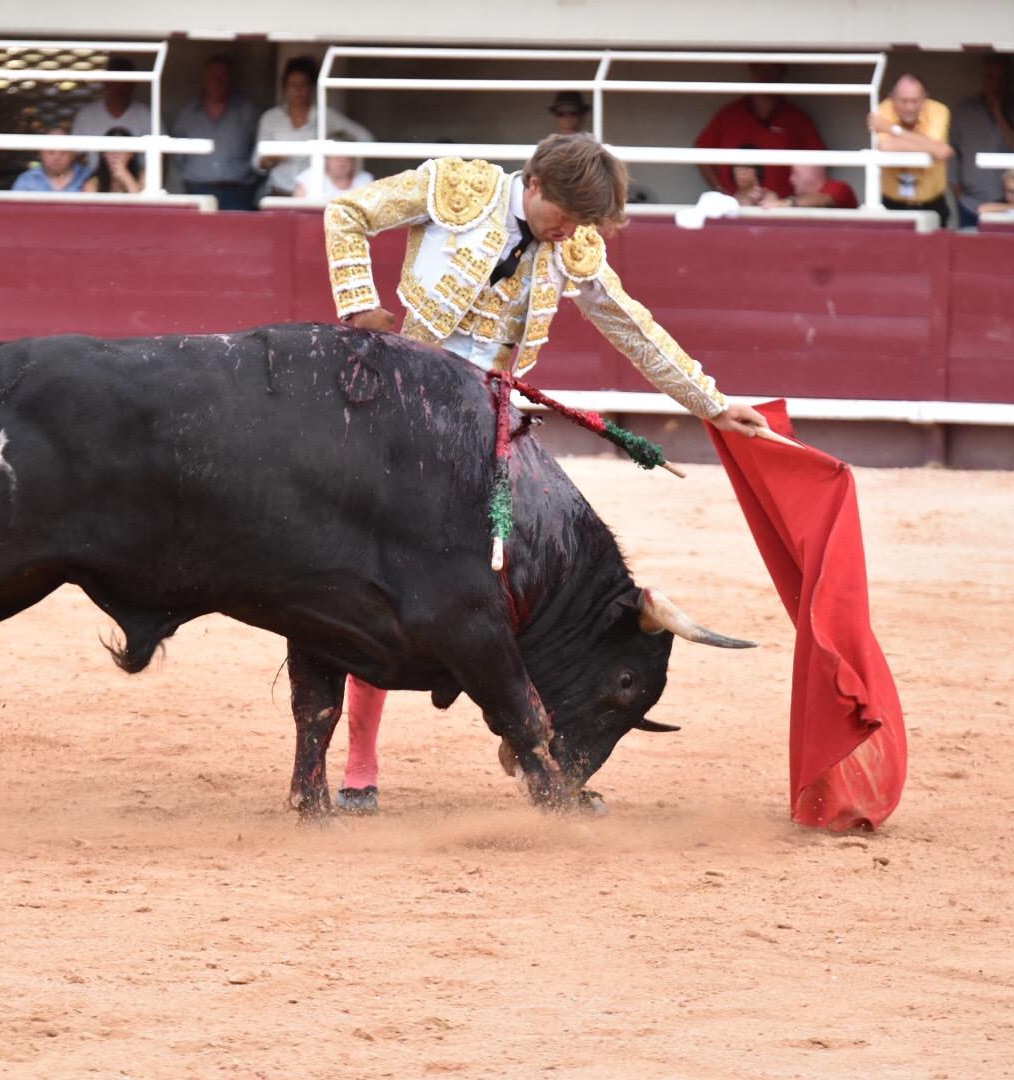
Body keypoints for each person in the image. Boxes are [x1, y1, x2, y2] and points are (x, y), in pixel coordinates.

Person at [323, 133, 772, 812]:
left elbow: (632, 326)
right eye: (563, 215)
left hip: (491, 422)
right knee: (381, 581)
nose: (570, 233)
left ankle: (540, 745)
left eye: (582, 223)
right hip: (405, 409)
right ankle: (361, 762)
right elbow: (347, 213)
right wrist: (359, 303)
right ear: (533, 184)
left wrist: (711, 402)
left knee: (529, 582)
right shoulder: (458, 189)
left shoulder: (574, 243)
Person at [693, 62, 826, 200]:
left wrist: (794, 201)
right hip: (737, 205)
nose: (766, 76)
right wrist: (721, 191)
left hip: (781, 206)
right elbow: (701, 150)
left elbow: (819, 162)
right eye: (760, 70)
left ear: (782, 75)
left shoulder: (797, 118)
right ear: (753, 73)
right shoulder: (730, 114)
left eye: (773, 71)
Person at [254, 56, 371, 198]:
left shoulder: (326, 115)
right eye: (292, 85)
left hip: (312, 194)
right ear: (285, 87)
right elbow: (257, 163)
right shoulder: (270, 118)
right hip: (278, 192)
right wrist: (273, 158)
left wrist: (343, 162)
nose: (298, 90)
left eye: (303, 84)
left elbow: (365, 137)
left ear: (312, 87)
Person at [174, 55, 263, 211]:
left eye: (224, 75)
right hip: (197, 192)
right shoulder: (189, 113)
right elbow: (178, 157)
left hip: (238, 195)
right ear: (205, 78)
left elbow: (260, 156)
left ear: (232, 79)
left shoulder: (248, 111)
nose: (218, 80)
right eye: (213, 75)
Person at [867, 74, 955, 226]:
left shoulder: (938, 110)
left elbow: (937, 148)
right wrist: (932, 147)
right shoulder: (883, 108)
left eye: (915, 101)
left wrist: (893, 129)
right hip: (892, 205)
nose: (909, 107)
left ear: (925, 99)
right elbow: (886, 146)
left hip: (932, 205)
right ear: (892, 98)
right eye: (903, 101)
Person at [949, 56, 1014, 228]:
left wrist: (999, 113)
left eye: (1001, 79)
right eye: (990, 78)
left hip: (1007, 204)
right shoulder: (964, 111)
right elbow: (953, 154)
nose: (995, 84)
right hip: (970, 203)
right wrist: (958, 193)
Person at [71, 56, 156, 170]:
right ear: (105, 83)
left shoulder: (146, 114)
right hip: (97, 179)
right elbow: (76, 156)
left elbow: (161, 156)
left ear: (133, 84)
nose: (120, 86)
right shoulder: (87, 114)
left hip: (135, 180)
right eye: (115, 80)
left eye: (125, 81)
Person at [11, 128, 98, 192]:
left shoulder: (86, 177)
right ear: (41, 154)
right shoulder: (27, 180)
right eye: (51, 152)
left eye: (63, 153)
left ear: (72, 154)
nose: (57, 157)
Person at [291, 131, 373, 197]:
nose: (342, 159)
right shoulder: (309, 178)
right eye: (337, 153)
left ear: (355, 159)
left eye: (347, 154)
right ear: (326, 158)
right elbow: (298, 209)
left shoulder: (365, 180)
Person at [761, 163, 858, 209]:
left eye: (796, 174)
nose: (791, 179)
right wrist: (772, 198)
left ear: (812, 176)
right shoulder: (797, 194)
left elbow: (823, 200)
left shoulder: (840, 187)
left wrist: (785, 203)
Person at [93, 126, 145, 193]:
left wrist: (126, 177)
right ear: (103, 154)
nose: (115, 154)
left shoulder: (143, 177)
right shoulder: (93, 183)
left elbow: (141, 200)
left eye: (120, 150)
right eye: (110, 149)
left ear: (131, 154)